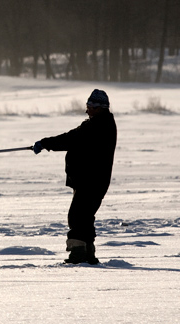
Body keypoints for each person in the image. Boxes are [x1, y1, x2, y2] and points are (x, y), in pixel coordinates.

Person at [33, 89, 117, 265]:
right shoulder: (100, 123)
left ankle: (78, 255)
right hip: (90, 180)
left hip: (91, 180)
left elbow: (71, 139)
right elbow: (74, 138)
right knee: (84, 216)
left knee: (77, 216)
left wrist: (45, 143)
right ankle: (88, 254)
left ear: (101, 107)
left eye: (91, 106)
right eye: (87, 106)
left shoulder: (98, 126)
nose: (87, 110)